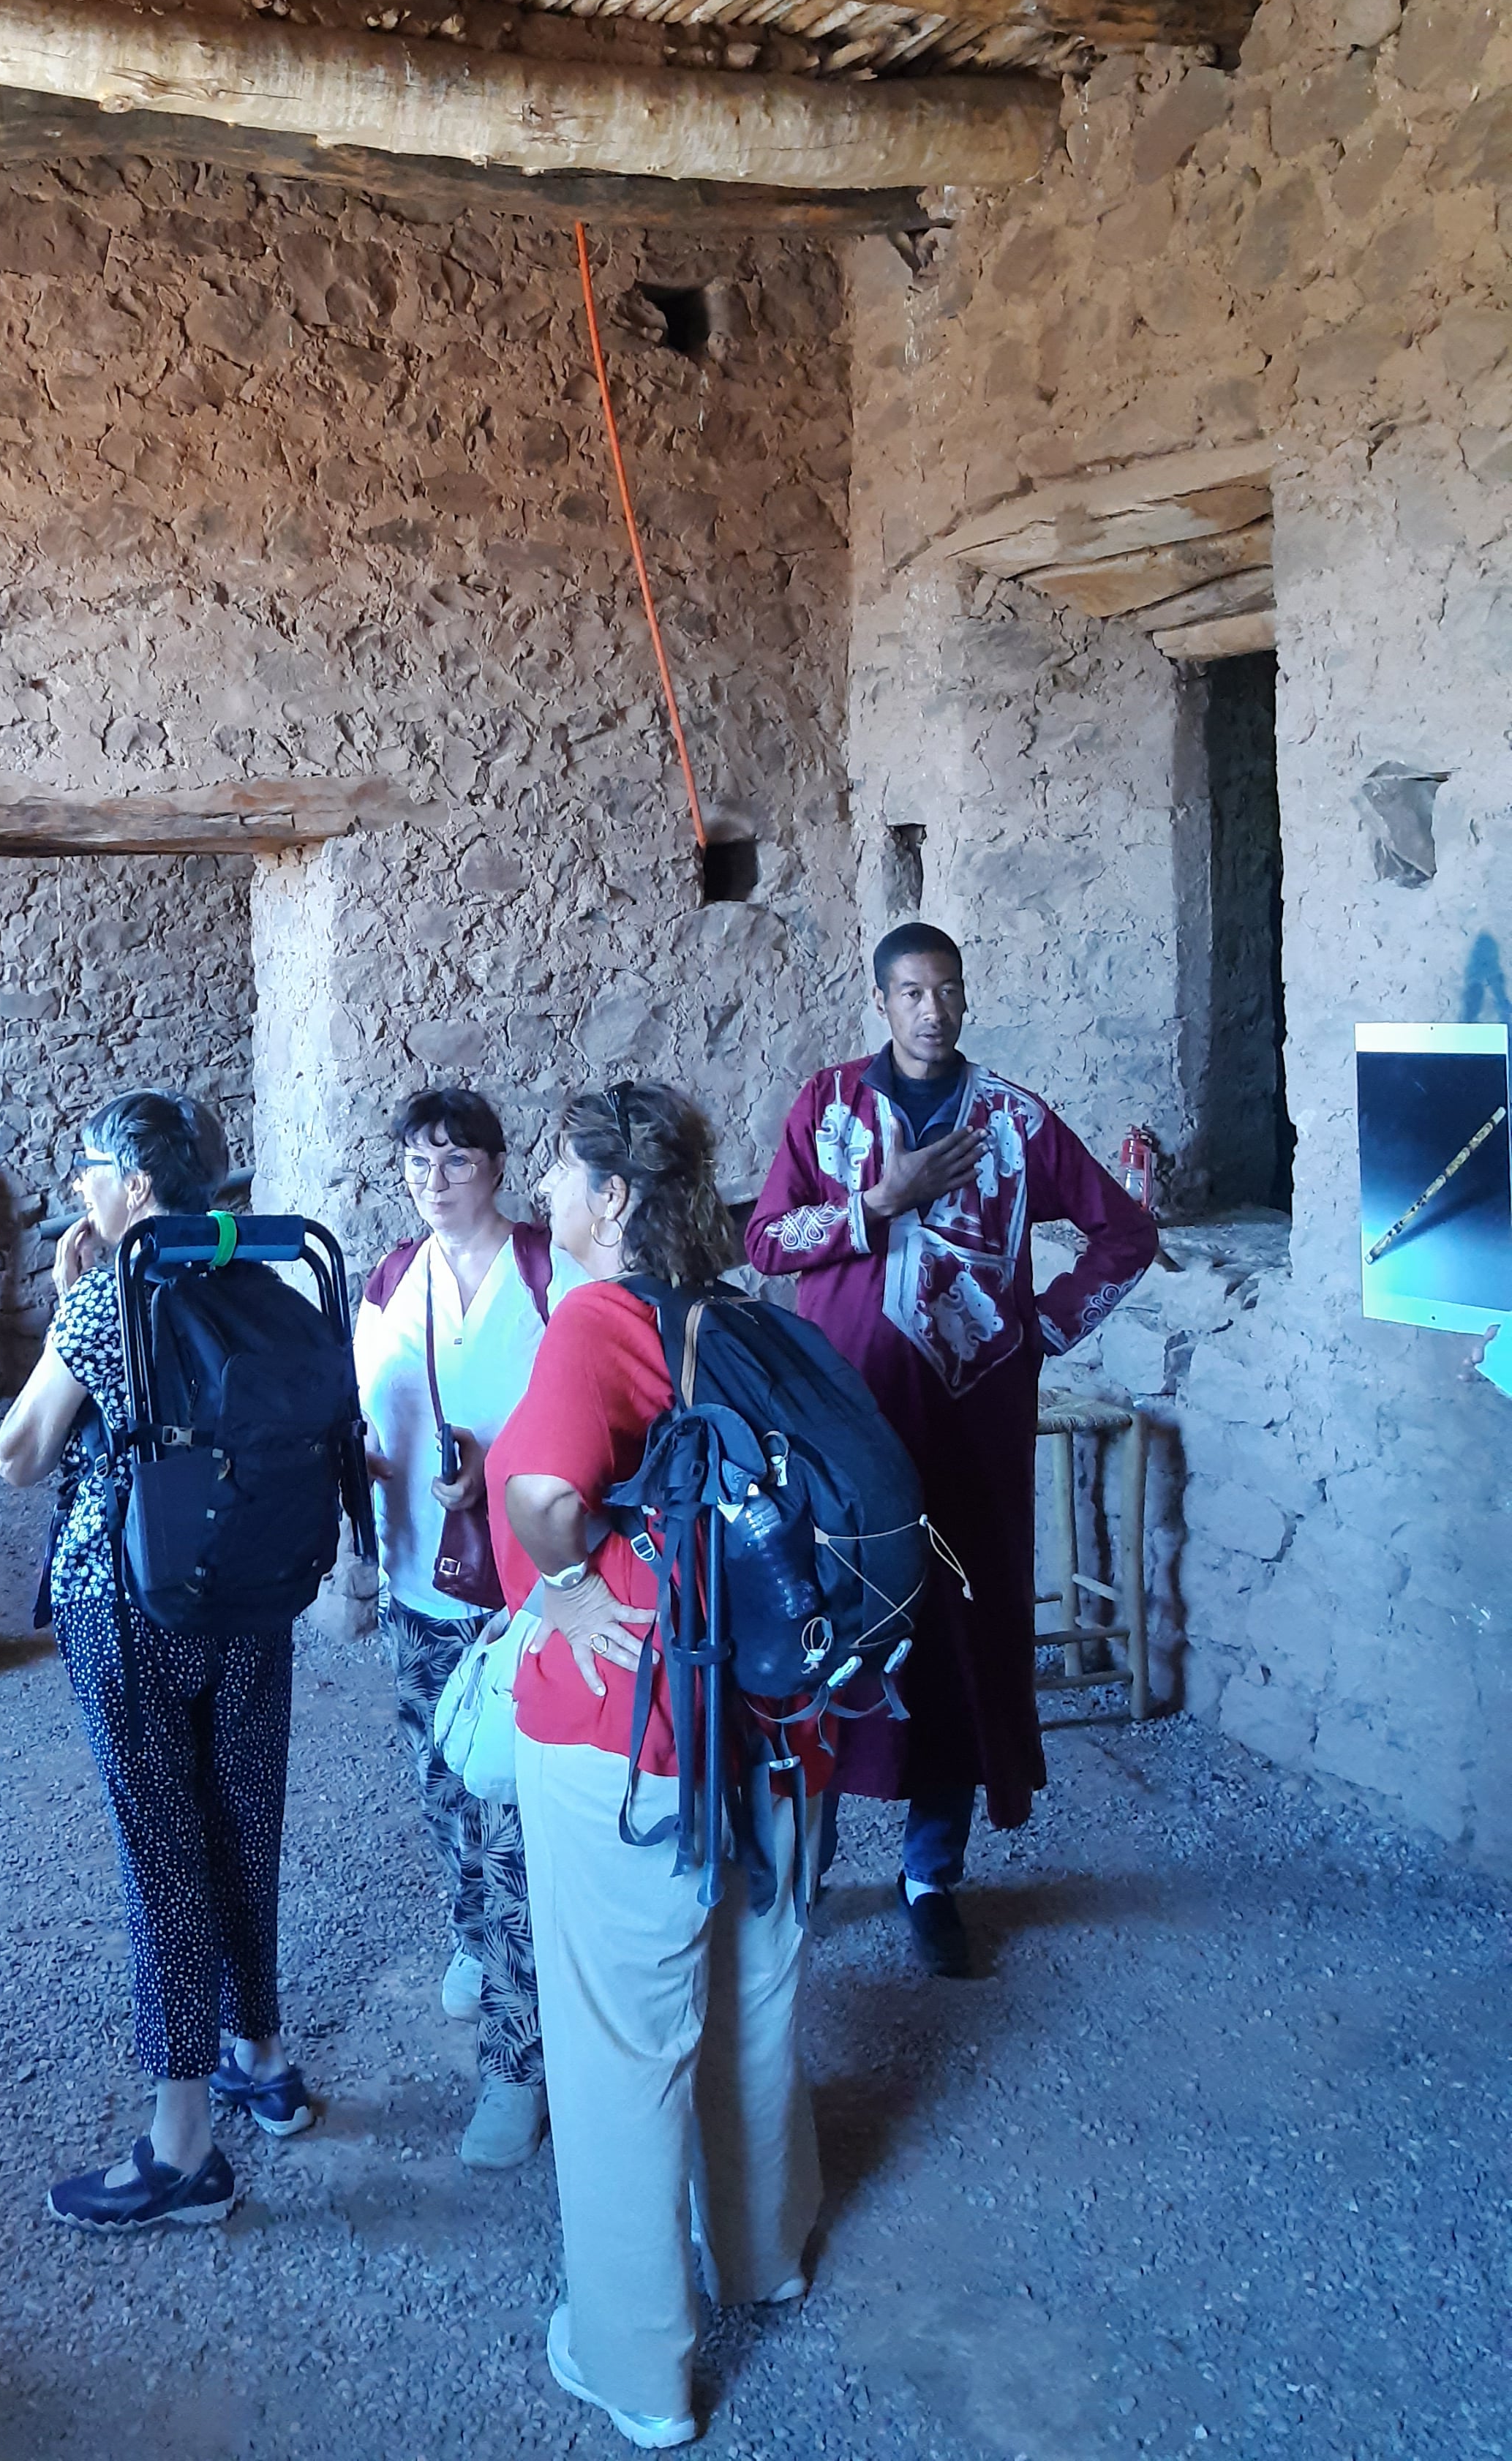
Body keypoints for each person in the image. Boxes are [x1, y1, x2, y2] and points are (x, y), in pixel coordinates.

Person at [488, 1082, 826, 2452]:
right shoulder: (732, 1316)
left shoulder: (599, 1322)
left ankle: (637, 2366)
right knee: (751, 2000)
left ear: (615, 1197)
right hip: (771, 1728)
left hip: (634, 1738)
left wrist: (565, 1591)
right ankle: (766, 2254)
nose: (546, 1195)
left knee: (622, 2045)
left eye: (563, 1175)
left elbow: (542, 1498)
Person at [747, 923, 1159, 1976]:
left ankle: (932, 1876)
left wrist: (1043, 1330)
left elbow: (1127, 1235)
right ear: (881, 1001)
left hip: (972, 1430)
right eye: (911, 992)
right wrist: (877, 1203)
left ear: (965, 999)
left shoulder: (1015, 1120)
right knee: (831, 1631)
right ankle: (806, 1867)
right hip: (847, 1428)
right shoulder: (829, 1108)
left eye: (947, 991)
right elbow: (766, 1242)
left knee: (959, 1638)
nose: (932, 1010)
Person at [0, 1091, 309, 2231]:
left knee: (162, 1854)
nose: (78, 1184)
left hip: (129, 1601)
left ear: (134, 1186)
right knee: (244, 1824)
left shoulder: (109, 1299)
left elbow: (20, 1452)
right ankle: (258, 2055)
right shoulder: (266, 1282)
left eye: (90, 1166)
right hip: (256, 1589)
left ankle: (181, 2149)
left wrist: (66, 1307)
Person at [352, 1086, 579, 2171]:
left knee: (512, 1827)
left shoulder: (548, 1275)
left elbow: (589, 1414)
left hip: (524, 1594)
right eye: (416, 1164)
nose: (433, 1182)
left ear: (495, 1166)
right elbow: (365, 1424)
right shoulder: (391, 1282)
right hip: (421, 1581)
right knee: (443, 1785)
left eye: (453, 1161)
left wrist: (499, 1467)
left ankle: (517, 2063)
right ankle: (472, 1932)